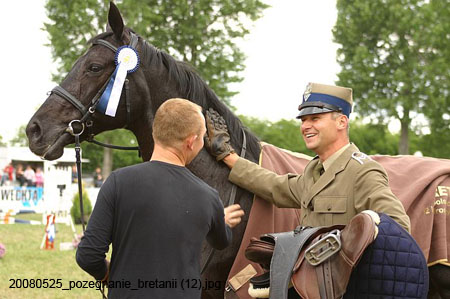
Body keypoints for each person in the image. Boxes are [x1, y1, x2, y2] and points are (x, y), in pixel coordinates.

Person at [76, 98, 244, 299]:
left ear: (156, 133)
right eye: (203, 137)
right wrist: (220, 220)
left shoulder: (118, 181)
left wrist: (107, 276)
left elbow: (88, 256)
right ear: (191, 141)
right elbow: (221, 241)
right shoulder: (209, 197)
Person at [204, 82, 410, 232]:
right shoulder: (315, 171)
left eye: (315, 118)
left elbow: (398, 226)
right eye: (303, 120)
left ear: (342, 122)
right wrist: (227, 155)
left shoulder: (362, 171)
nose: (305, 126)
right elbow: (274, 186)